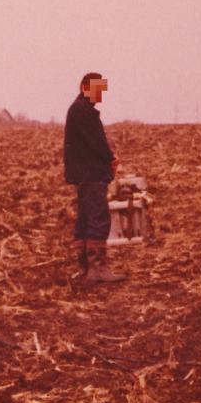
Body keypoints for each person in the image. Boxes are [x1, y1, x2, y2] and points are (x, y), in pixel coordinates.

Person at [64, 73, 125, 283]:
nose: (100, 93)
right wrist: (111, 158)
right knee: (98, 219)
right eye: (96, 89)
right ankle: (97, 269)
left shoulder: (78, 109)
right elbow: (97, 143)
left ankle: (85, 269)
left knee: (85, 219)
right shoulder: (84, 111)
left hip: (83, 174)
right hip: (91, 174)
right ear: (84, 87)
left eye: (101, 89)